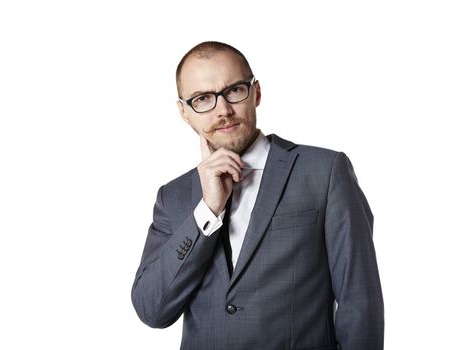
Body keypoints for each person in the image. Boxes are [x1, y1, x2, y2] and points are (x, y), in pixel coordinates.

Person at [131, 41, 384, 350]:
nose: (222, 110)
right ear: (184, 112)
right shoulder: (173, 198)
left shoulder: (324, 172)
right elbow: (152, 310)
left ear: (257, 93)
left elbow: (360, 302)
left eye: (234, 91)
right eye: (202, 99)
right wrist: (207, 211)